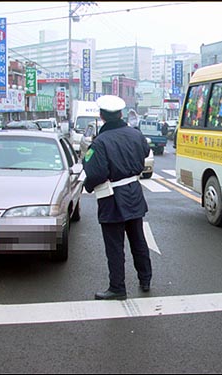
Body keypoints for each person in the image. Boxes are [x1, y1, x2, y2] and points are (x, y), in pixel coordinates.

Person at [83, 95, 152, 301]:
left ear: (101, 116)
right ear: (121, 114)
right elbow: (145, 151)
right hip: (133, 191)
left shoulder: (101, 141)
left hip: (112, 197)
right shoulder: (135, 134)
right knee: (138, 239)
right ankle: (145, 279)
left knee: (114, 245)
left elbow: (95, 172)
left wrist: (88, 186)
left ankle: (117, 288)